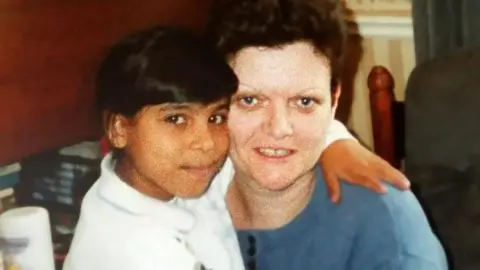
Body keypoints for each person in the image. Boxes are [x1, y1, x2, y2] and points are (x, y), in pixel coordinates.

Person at [64, 24, 408, 270]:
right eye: (175, 119)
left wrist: (337, 143)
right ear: (119, 128)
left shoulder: (170, 173)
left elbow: (280, 131)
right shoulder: (134, 253)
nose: (205, 143)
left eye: (216, 117)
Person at [206, 0, 449, 269]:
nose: (279, 129)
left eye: (305, 102)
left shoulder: (390, 231)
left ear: (334, 101)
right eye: (250, 101)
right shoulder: (182, 198)